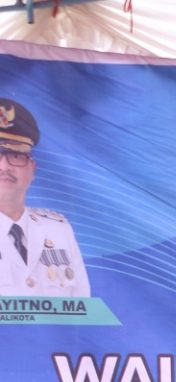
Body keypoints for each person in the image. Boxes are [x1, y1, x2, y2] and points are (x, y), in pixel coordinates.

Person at [0, 98, 90, 297]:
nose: (4, 166)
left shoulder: (58, 230)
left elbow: (81, 307)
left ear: (32, 169)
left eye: (16, 155)